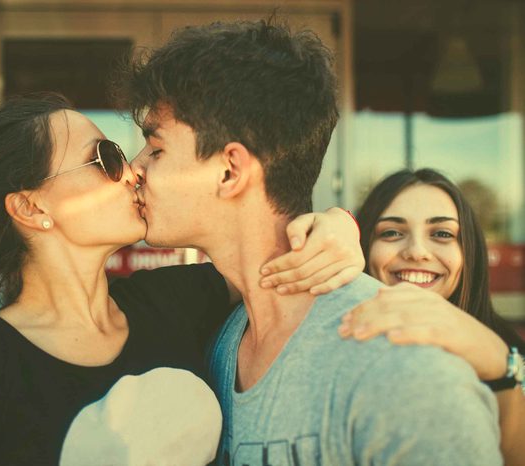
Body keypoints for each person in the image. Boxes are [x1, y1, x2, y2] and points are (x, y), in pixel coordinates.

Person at [0, 93, 363, 466]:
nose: (133, 170)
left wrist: (337, 226)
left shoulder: (177, 301)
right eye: (105, 158)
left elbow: (272, 260)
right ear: (32, 208)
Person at [120, 19, 502, 465]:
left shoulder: (404, 372)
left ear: (229, 171)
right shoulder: (222, 344)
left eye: (156, 149)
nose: (135, 168)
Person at [331, 168, 525, 465]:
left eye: (442, 234)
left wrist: (503, 370)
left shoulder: (511, 356)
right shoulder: (331, 350)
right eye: (392, 232)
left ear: (468, 252)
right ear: (364, 248)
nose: (417, 252)